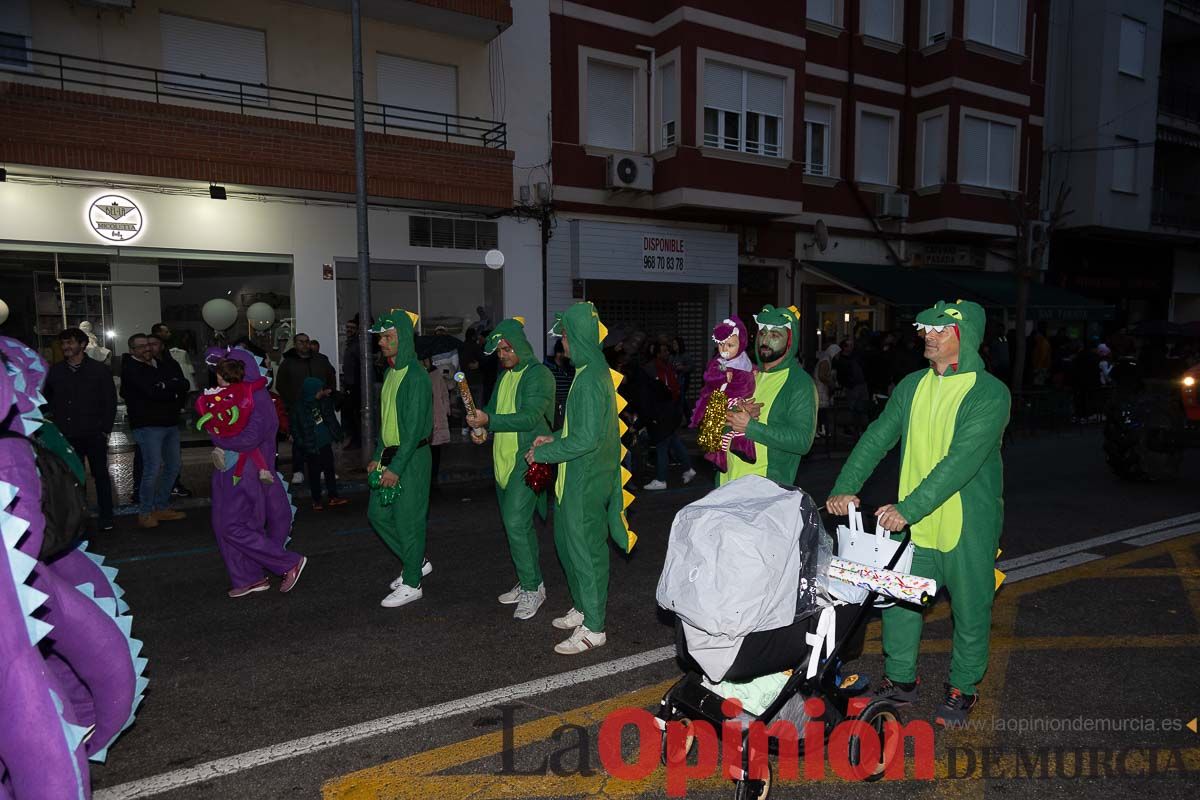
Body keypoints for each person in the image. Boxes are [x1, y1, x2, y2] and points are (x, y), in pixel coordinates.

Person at [826, 299, 1010, 728]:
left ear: (965, 338)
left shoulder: (989, 393)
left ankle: (963, 687)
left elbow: (960, 462)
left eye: (940, 330)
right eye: (926, 327)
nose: (929, 335)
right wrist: (844, 486)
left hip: (966, 524)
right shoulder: (911, 385)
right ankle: (901, 681)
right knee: (899, 605)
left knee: (971, 609)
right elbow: (877, 438)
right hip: (912, 524)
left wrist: (909, 508)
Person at [528, 302, 636, 655]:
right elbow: (583, 429)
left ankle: (595, 628)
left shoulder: (590, 378)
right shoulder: (590, 371)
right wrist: (554, 437)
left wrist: (542, 453)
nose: (563, 346)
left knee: (587, 553)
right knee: (569, 546)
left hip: (586, 479)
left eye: (565, 338)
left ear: (578, 337)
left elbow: (587, 439)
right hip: (576, 477)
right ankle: (583, 608)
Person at [466, 318, 555, 621]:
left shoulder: (538, 374)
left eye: (507, 348)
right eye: (499, 350)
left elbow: (530, 418)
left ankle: (532, 588)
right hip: (502, 462)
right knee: (517, 527)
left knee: (516, 523)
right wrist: (481, 428)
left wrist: (488, 422)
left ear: (520, 345)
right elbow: (492, 411)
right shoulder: (505, 377)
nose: (503, 354)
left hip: (528, 460)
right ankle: (530, 580)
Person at [204, 348, 307, 598]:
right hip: (230, 468)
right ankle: (249, 578)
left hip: (245, 470)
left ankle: (286, 562)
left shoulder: (257, 397)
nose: (218, 377)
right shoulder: (237, 393)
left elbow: (249, 439)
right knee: (225, 525)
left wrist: (215, 432)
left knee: (232, 526)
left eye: (224, 370)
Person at [368, 309, 433, 609]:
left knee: (409, 522)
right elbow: (387, 424)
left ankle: (412, 583)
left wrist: (395, 467)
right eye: (381, 337)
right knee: (377, 515)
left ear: (403, 338)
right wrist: (377, 457)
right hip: (392, 456)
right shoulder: (390, 372)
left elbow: (412, 431)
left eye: (388, 337)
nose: (382, 342)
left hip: (412, 459)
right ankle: (415, 561)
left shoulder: (417, 377)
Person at [720, 305, 818, 487]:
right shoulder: (745, 374)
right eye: (763, 333)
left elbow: (802, 441)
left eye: (775, 335)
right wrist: (731, 414)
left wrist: (750, 427)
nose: (765, 340)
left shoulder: (799, 383)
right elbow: (712, 430)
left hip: (765, 491)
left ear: (790, 341)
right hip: (726, 484)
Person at [44, 327, 118, 531]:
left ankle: (107, 516)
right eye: (64, 343)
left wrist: (104, 429)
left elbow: (110, 401)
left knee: (100, 475)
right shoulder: (55, 371)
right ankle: (79, 518)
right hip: (67, 435)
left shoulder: (99, 370)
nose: (65, 347)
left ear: (83, 345)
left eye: (70, 343)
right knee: (73, 477)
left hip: (94, 433)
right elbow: (47, 400)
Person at [120, 333, 189, 529]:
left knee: (173, 466)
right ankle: (145, 511)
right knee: (152, 469)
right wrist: (169, 388)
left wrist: (165, 387)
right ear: (132, 350)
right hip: (148, 425)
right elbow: (150, 392)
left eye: (148, 345)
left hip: (169, 423)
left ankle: (161, 505)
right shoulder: (131, 369)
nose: (147, 349)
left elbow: (184, 385)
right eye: (141, 346)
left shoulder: (162, 364)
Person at [691, 316, 756, 472]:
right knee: (722, 428)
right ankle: (718, 456)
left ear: (741, 343)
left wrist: (755, 371)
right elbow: (709, 376)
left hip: (740, 399)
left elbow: (750, 369)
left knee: (740, 423)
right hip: (723, 399)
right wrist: (722, 375)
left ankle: (741, 446)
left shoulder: (744, 360)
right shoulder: (719, 363)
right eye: (721, 345)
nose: (725, 349)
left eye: (730, 345)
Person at [195, 358, 274, 486]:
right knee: (251, 448)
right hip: (239, 428)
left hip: (221, 429)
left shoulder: (216, 392)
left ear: (220, 376)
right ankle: (263, 470)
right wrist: (264, 378)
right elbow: (260, 383)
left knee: (226, 439)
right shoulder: (245, 388)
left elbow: (201, 405)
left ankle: (220, 449)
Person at [275, 332, 338, 484]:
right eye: (301, 342)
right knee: (299, 439)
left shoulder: (321, 360)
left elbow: (331, 376)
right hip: (298, 408)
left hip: (319, 407)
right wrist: (292, 403)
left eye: (307, 341)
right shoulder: (288, 363)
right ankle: (298, 471)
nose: (304, 344)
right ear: (295, 344)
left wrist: (327, 393)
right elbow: (281, 385)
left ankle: (324, 469)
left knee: (322, 438)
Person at [634, 340, 695, 490]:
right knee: (672, 440)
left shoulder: (655, 369)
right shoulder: (662, 368)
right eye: (664, 351)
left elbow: (652, 396)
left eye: (667, 351)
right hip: (668, 411)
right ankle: (688, 469)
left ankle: (661, 479)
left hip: (662, 412)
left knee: (662, 444)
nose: (667, 353)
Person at [293, 376, 347, 511]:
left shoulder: (324, 401)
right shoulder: (299, 408)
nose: (322, 392)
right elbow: (295, 428)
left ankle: (333, 496)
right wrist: (301, 442)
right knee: (314, 473)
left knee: (329, 469)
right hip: (311, 444)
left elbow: (334, 410)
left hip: (325, 442)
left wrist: (337, 433)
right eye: (319, 390)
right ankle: (316, 500)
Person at [341, 317, 363, 449]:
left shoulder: (357, 345)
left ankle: (357, 440)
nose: (349, 330)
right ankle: (355, 439)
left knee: (354, 414)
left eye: (352, 328)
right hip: (351, 384)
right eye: (348, 327)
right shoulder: (350, 344)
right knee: (351, 414)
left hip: (355, 385)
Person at [543, 338, 574, 430]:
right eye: (559, 352)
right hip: (553, 404)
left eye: (563, 352)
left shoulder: (570, 367)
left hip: (567, 404)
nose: (561, 355)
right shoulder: (548, 367)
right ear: (555, 352)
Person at [812, 343, 840, 439]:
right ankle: (822, 430)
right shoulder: (826, 360)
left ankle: (821, 430)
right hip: (821, 389)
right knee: (822, 411)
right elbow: (822, 376)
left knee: (821, 411)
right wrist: (830, 383)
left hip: (820, 388)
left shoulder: (825, 359)